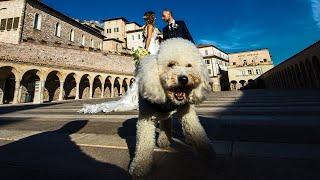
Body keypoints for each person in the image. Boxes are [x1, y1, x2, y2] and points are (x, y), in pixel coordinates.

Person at [79, 11, 159, 114]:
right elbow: (148, 38)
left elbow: (148, 38)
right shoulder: (149, 26)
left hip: (151, 49)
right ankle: (148, 97)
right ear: (152, 18)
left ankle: (146, 97)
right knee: (148, 74)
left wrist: (145, 49)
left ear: (147, 17)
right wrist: (145, 50)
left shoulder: (148, 26)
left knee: (146, 74)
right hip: (151, 49)